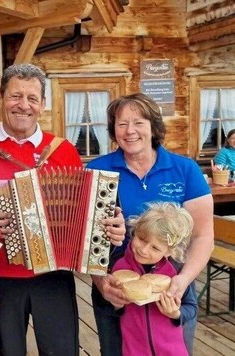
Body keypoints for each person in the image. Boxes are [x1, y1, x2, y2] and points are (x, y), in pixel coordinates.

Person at [0, 63, 126, 356]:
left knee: (61, 351)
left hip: (55, 274)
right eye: (15, 96)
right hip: (0, 275)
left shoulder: (62, 150)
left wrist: (109, 226)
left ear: (43, 105)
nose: (23, 105)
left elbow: (84, 212)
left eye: (32, 98)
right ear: (0, 99)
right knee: (8, 351)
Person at [87, 92, 214, 355]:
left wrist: (182, 280)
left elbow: (203, 236)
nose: (130, 131)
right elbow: (84, 239)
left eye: (138, 122)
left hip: (170, 290)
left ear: (153, 127)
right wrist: (103, 286)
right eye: (121, 124)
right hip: (116, 288)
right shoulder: (96, 170)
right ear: (113, 131)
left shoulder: (185, 169)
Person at [112, 201, 197, 356]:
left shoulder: (176, 273)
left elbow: (191, 307)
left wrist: (176, 314)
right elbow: (114, 308)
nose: (144, 250)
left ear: (169, 252)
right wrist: (117, 304)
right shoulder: (120, 269)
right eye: (142, 239)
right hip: (134, 349)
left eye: (155, 248)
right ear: (135, 230)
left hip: (172, 350)